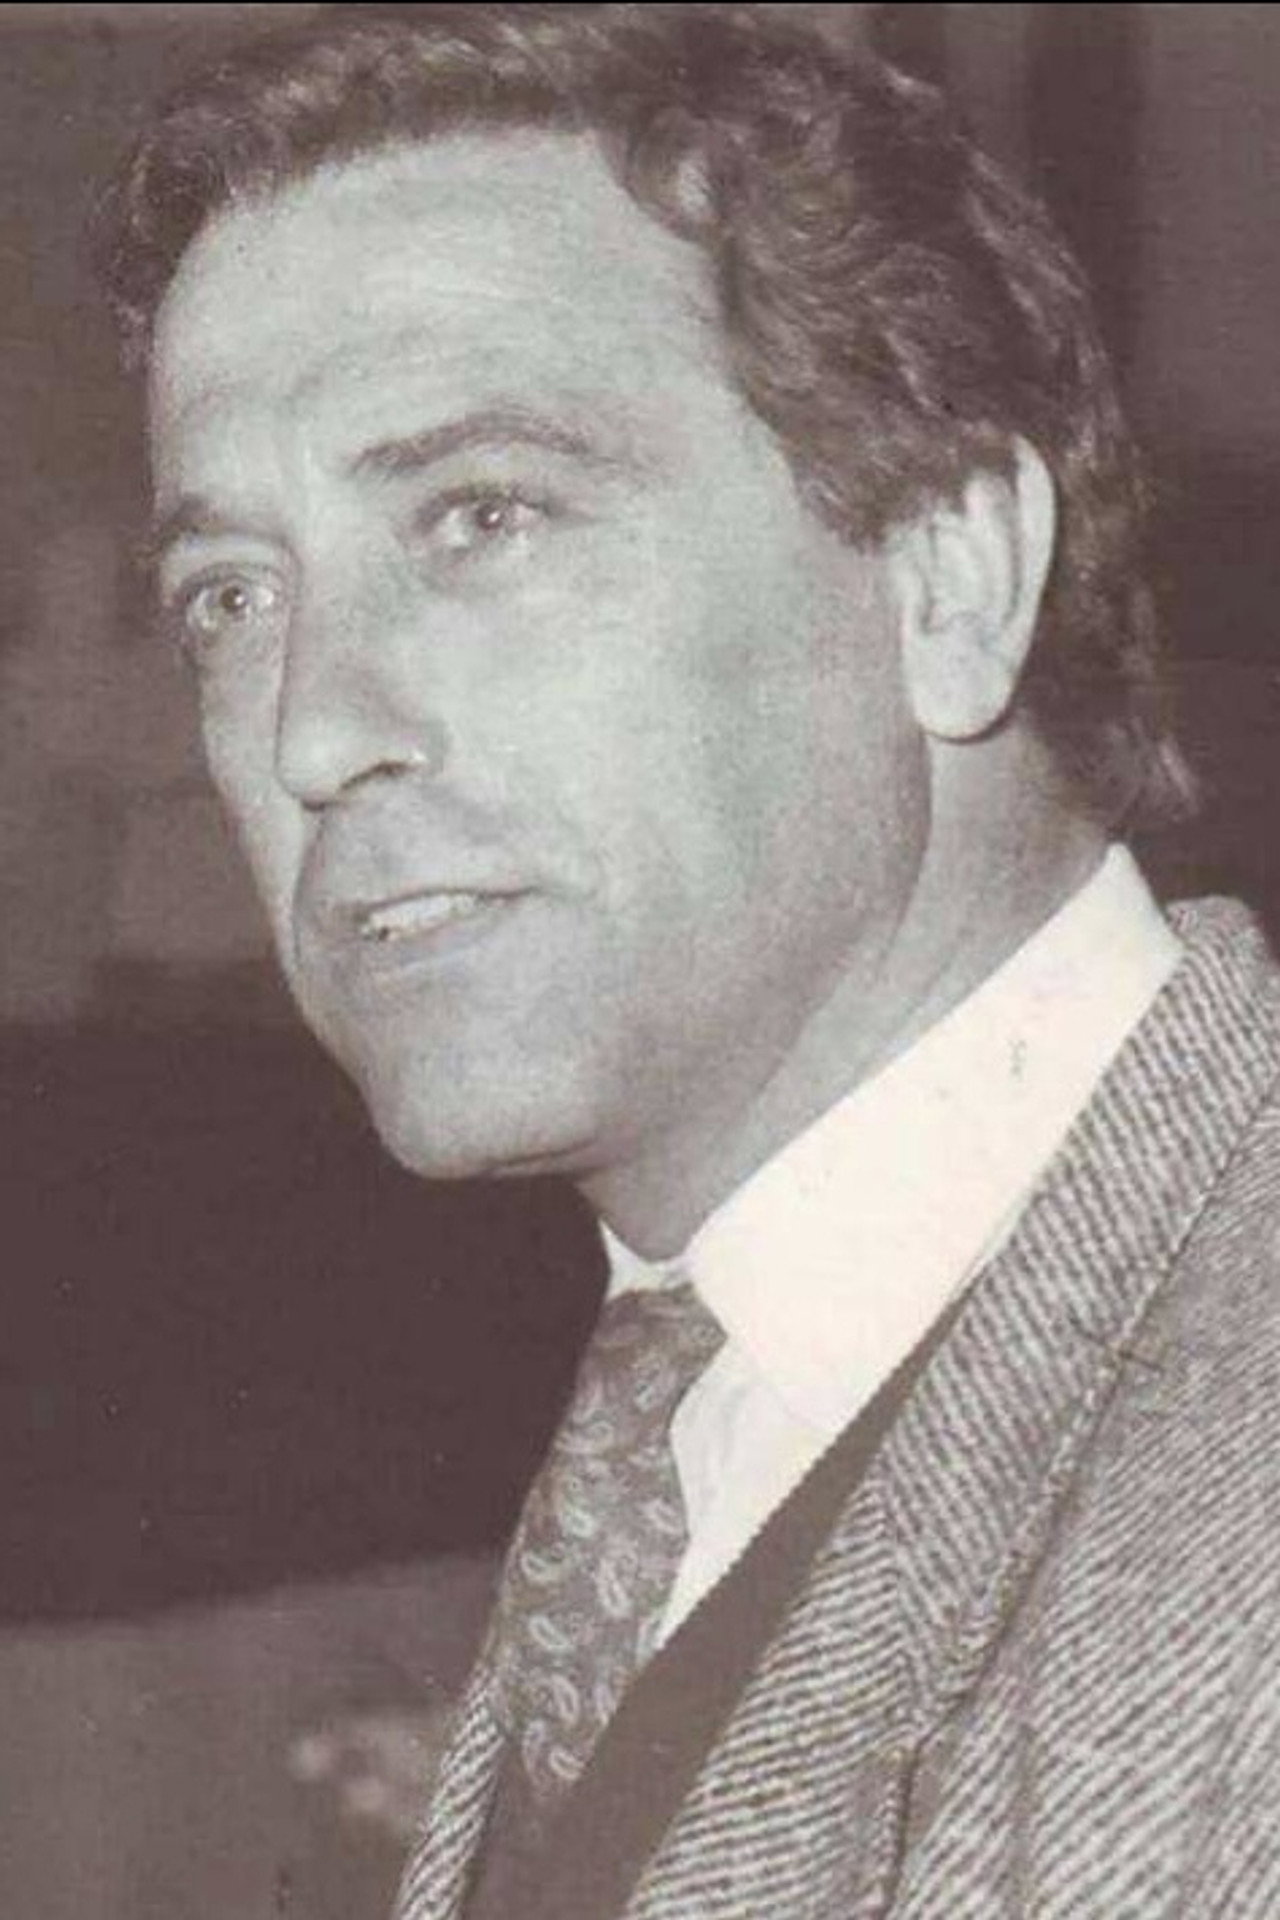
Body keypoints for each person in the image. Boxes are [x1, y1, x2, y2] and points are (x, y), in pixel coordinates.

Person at [95, 5, 1280, 1914]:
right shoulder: (707, 1401)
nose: (312, 732)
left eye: (483, 517)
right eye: (231, 596)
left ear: (951, 577)